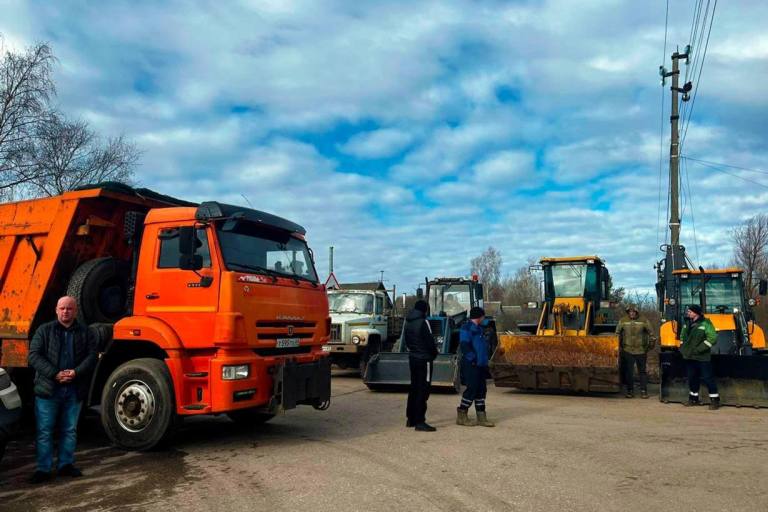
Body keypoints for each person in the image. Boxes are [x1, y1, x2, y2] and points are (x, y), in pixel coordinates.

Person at [27, 296, 97, 483]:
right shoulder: (44, 330)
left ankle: (65, 465)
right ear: (56, 310)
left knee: (69, 430)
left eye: (69, 308)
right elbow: (34, 356)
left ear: (75, 311)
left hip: (74, 389)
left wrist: (75, 372)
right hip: (48, 389)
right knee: (44, 430)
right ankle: (43, 469)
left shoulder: (85, 332)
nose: (66, 311)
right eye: (62, 308)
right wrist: (55, 374)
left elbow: (92, 356)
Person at [457, 307, 494, 427]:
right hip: (471, 365)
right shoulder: (467, 328)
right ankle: (462, 415)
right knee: (472, 389)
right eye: (483, 316)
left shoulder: (479, 329)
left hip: (481, 365)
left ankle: (481, 417)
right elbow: (465, 346)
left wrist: (485, 360)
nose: (484, 318)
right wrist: (472, 359)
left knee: (481, 390)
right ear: (479, 317)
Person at [404, 300, 438, 432]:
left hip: (413, 358)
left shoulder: (408, 322)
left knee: (414, 388)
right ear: (425, 310)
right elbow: (429, 341)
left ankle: (410, 418)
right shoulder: (423, 322)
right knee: (423, 389)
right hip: (424, 360)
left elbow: (407, 341)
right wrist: (434, 354)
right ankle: (420, 421)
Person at [680, 304, 719, 410]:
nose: (688, 313)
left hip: (702, 357)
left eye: (690, 312)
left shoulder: (706, 323)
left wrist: (699, 349)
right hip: (689, 356)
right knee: (692, 377)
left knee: (707, 378)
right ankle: (693, 399)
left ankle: (715, 400)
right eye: (688, 312)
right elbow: (682, 336)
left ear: (696, 313)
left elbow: (712, 338)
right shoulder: (687, 323)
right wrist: (683, 348)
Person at [615, 305, 655, 399]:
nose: (632, 313)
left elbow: (652, 334)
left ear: (637, 312)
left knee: (642, 372)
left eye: (633, 312)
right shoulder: (623, 321)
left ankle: (643, 391)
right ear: (628, 312)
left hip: (641, 351)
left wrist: (649, 346)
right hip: (627, 350)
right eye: (630, 312)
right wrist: (619, 346)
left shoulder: (644, 320)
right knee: (629, 372)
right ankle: (630, 391)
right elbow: (617, 334)